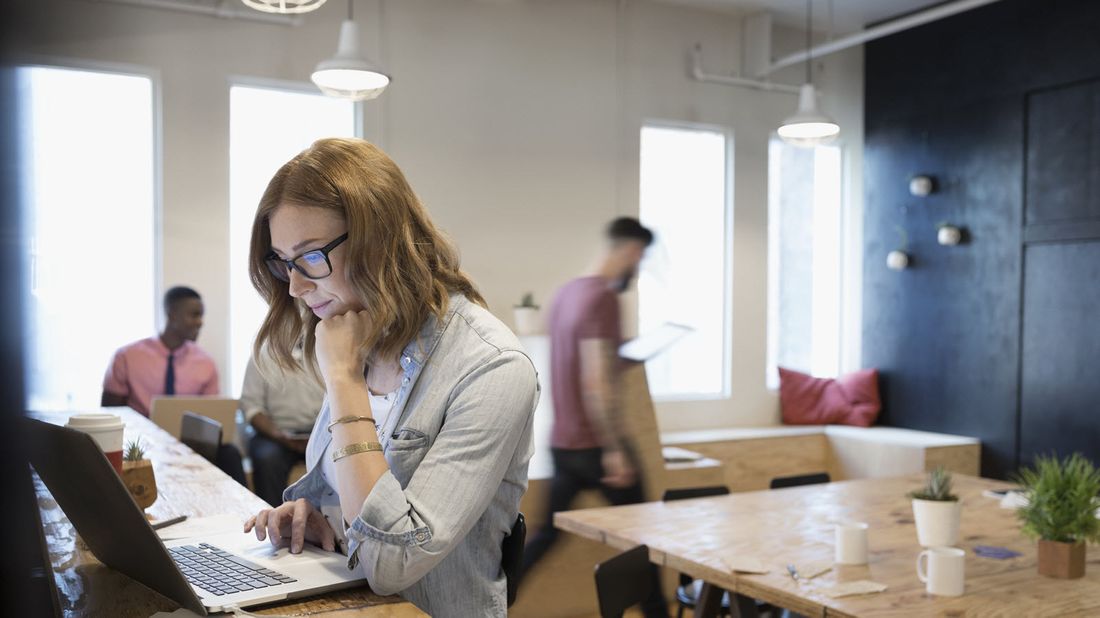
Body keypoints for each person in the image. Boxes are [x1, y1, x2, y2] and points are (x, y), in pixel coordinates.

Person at [241, 137, 538, 617]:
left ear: (380, 242)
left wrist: (344, 382)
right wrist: (318, 518)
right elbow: (353, 503)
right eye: (284, 262)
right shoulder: (357, 327)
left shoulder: (493, 366)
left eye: (311, 256)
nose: (294, 286)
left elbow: (391, 562)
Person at [522, 217, 667, 618]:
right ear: (631, 252)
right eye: (640, 258)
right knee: (644, 535)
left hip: (563, 442)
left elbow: (586, 362)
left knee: (547, 534)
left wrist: (630, 354)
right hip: (596, 446)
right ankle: (657, 613)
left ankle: (491, 602)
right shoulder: (602, 299)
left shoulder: (566, 293)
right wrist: (614, 450)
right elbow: (595, 380)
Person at [102, 286, 246, 485]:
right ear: (173, 315)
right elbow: (110, 409)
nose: (200, 322)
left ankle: (246, 513)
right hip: (142, 441)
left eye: (201, 316)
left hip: (188, 442)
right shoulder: (127, 356)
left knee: (229, 453)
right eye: (194, 315)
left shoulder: (205, 362)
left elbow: (211, 417)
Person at [241, 347, 325, 506]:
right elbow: (251, 407)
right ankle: (272, 519)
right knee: (267, 458)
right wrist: (279, 435)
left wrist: (321, 435)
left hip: (318, 433)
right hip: (274, 434)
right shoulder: (262, 356)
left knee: (338, 456)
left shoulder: (326, 352)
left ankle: (332, 523)